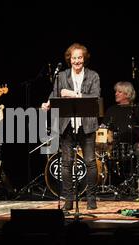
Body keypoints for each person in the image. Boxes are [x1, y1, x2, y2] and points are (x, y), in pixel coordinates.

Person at [41, 43, 100, 210]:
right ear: (69, 59)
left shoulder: (93, 75)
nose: (76, 61)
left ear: (84, 58)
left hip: (87, 124)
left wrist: (72, 94)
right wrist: (48, 103)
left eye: (79, 57)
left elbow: (95, 96)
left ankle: (91, 198)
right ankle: (68, 199)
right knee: (66, 163)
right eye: (74, 58)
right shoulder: (62, 76)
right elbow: (55, 94)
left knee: (90, 162)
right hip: (67, 124)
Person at [103, 81, 139, 148]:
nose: (116, 94)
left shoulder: (137, 109)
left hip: (134, 147)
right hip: (114, 148)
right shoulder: (111, 110)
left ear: (127, 94)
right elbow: (104, 128)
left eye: (119, 92)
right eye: (116, 91)